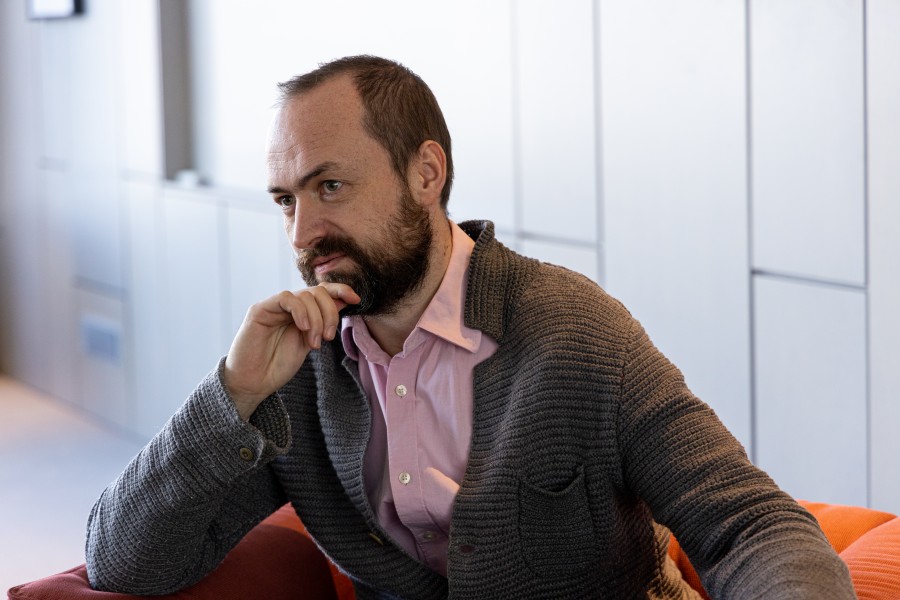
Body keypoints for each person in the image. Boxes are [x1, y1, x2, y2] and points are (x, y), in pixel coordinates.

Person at [85, 55, 856, 599]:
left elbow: (748, 524)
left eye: (331, 186)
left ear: (426, 173)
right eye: (286, 200)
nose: (302, 233)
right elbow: (124, 562)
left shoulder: (576, 333)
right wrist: (234, 393)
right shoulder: (298, 370)